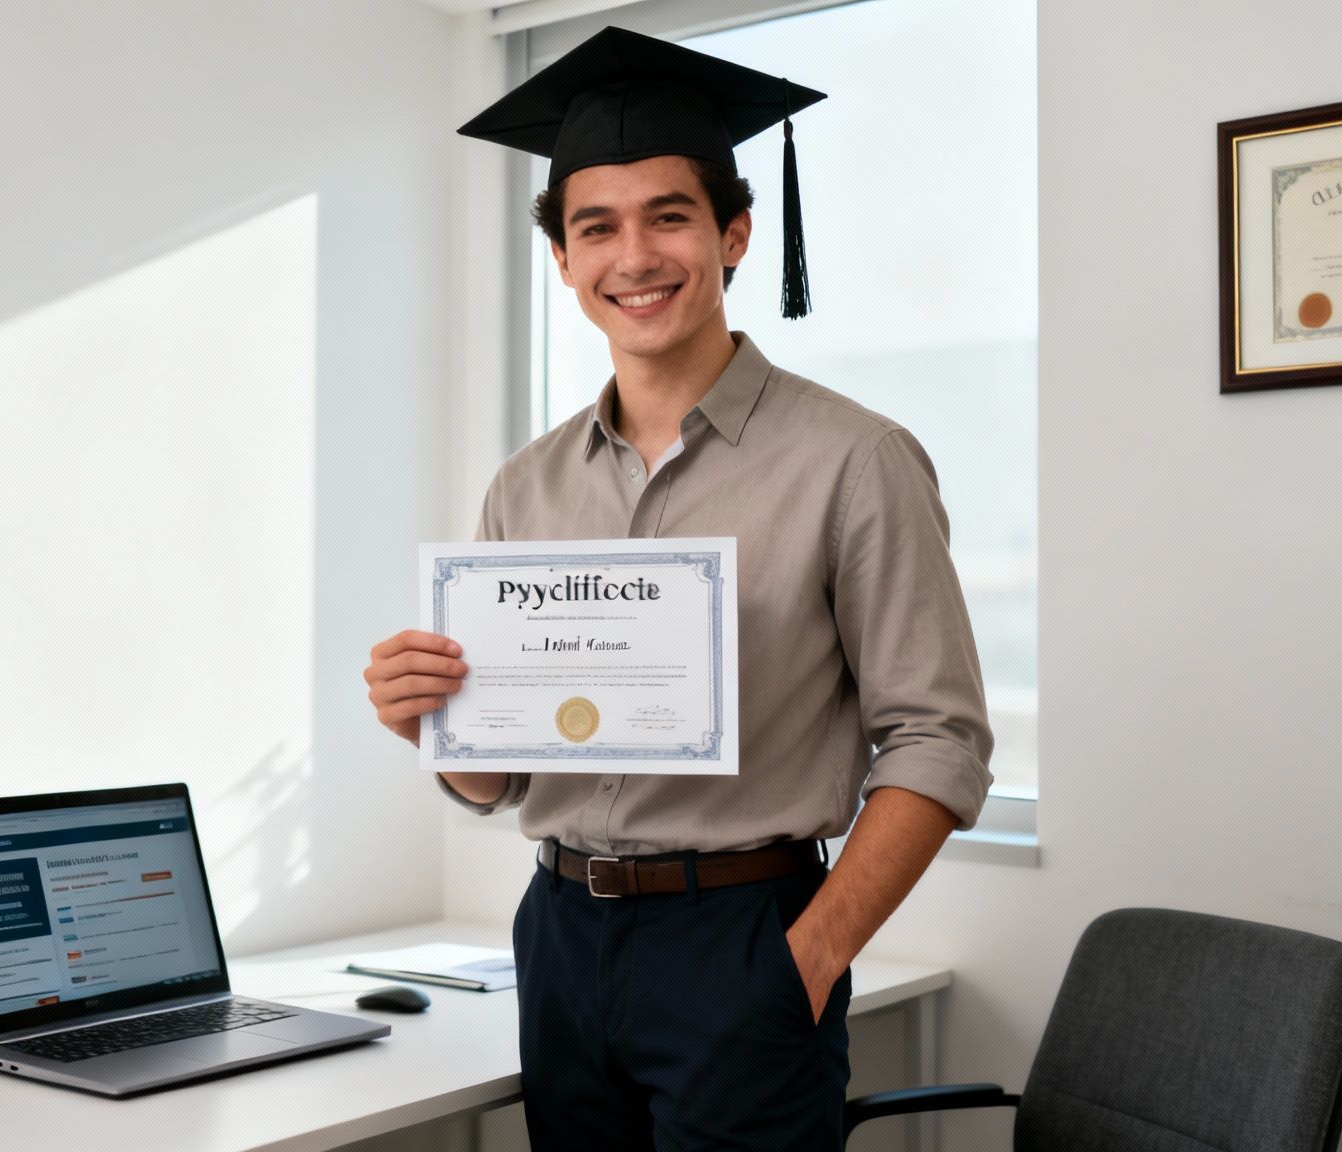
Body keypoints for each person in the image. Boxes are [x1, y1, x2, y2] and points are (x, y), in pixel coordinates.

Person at [361, 26, 993, 1151]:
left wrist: (810, 952)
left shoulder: (854, 459)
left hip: (743, 936)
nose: (633, 257)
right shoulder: (526, 484)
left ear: (733, 233)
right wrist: (429, 717)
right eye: (594, 227)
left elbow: (937, 740)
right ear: (561, 259)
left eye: (668, 216)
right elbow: (494, 779)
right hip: (557, 937)